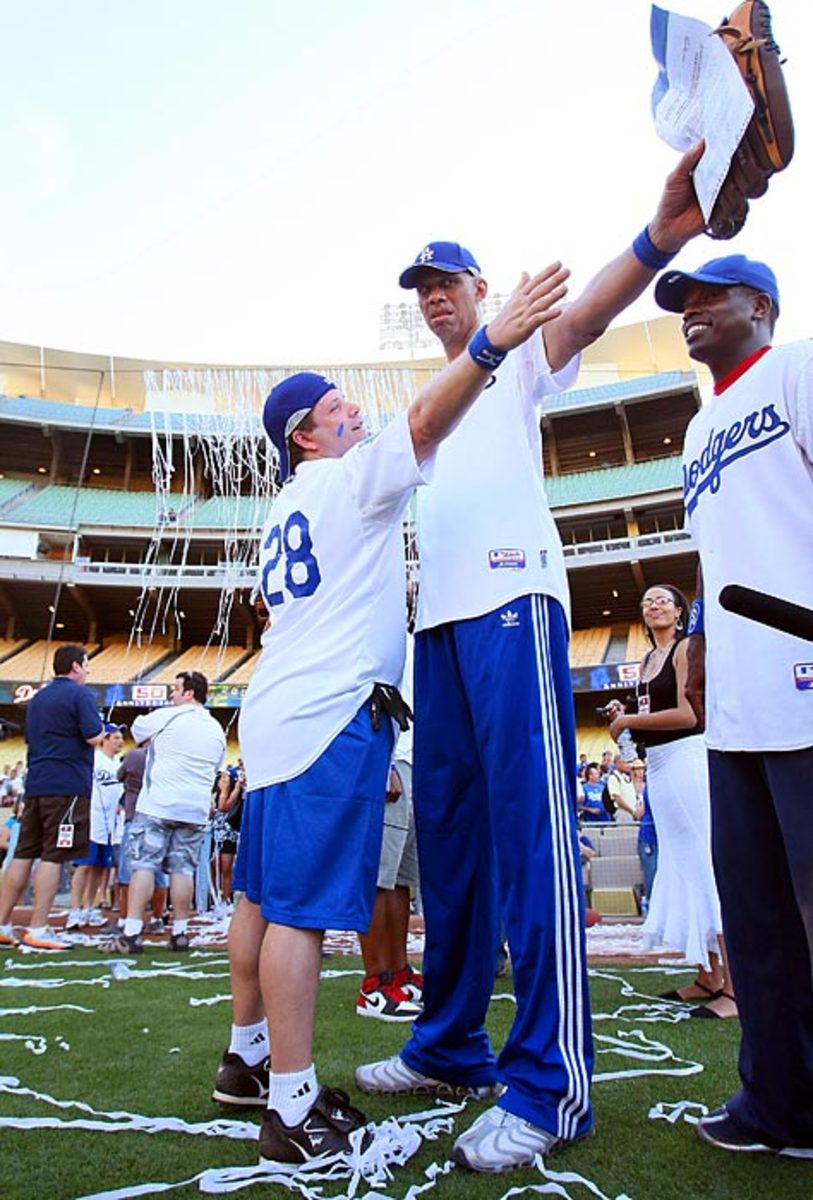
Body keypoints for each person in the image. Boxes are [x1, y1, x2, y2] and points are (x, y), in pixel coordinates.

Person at [355, 145, 706, 1172]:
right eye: (417, 291)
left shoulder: (516, 362)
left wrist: (661, 236)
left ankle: (550, 1086)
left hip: (514, 602)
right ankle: (451, 1043)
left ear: (480, 286)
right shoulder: (432, 403)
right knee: (452, 849)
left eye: (443, 284)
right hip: (441, 635)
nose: (430, 301)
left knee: (537, 844)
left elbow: (589, 312)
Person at [212, 266, 571, 1166]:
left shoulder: (283, 513)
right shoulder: (342, 483)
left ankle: (246, 1056)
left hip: (274, 713)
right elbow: (420, 425)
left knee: (257, 895)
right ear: (304, 437)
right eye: (336, 410)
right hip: (328, 718)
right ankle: (292, 1108)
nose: (352, 415)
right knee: (297, 910)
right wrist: (491, 343)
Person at [652, 254, 813, 1156]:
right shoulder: (695, 428)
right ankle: (775, 1107)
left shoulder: (798, 368)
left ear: (762, 305)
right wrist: (703, 643)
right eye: (682, 302)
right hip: (738, 707)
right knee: (754, 920)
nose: (692, 311)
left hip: (805, 675)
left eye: (710, 297)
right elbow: (718, 558)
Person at [607, 585, 736, 1019]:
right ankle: (707, 974)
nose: (655, 605)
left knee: (705, 863)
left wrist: (630, 720)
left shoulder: (686, 648)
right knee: (680, 865)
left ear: (680, 611)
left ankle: (735, 988)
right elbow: (643, 718)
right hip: (658, 766)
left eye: (664, 599)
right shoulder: (645, 661)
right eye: (646, 601)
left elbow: (689, 714)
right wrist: (624, 718)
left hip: (685, 758)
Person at [110, 671, 225, 953]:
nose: (172, 694)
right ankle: (180, 932)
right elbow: (215, 767)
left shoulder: (171, 715)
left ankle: (133, 931)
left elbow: (137, 731)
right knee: (183, 869)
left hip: (158, 804)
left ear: (189, 693)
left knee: (144, 865)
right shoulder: (216, 728)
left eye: (175, 689)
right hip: (194, 808)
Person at [0, 645, 103, 950]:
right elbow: (93, 735)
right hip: (67, 785)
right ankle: (39, 926)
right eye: (85, 665)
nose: (88, 670)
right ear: (74, 666)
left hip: (37, 784)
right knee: (53, 855)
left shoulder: (38, 697)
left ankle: (3, 923)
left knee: (22, 853)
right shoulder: (80, 695)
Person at [356, 634, 422, 1022]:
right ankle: (373, 981)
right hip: (391, 758)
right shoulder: (373, 629)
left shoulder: (412, 636)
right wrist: (378, 763)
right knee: (378, 877)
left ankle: (398, 971)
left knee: (400, 878)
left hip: (414, 761)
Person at [65, 723, 125, 930]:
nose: (120, 741)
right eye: (115, 737)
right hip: (91, 820)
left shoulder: (118, 763)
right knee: (84, 865)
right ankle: (74, 910)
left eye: (120, 737)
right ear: (104, 740)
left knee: (101, 868)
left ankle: (90, 907)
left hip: (110, 825)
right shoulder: (94, 759)